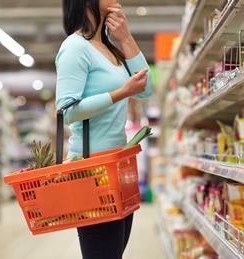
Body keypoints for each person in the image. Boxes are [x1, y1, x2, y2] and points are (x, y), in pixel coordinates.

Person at [55, 0, 152, 259]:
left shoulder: (109, 47)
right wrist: (122, 92)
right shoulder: (75, 47)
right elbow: (67, 111)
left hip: (118, 167)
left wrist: (126, 37)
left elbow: (147, 89)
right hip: (92, 172)